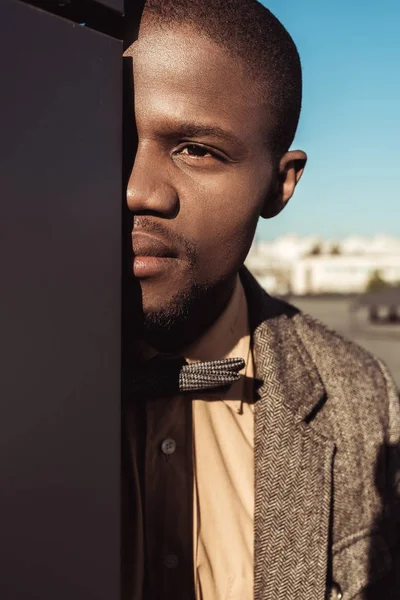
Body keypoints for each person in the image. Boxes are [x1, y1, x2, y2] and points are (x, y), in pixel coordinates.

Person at [122, 1, 400, 599]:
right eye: (112, 136)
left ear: (280, 184)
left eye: (196, 149)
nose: (137, 190)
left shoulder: (361, 398)